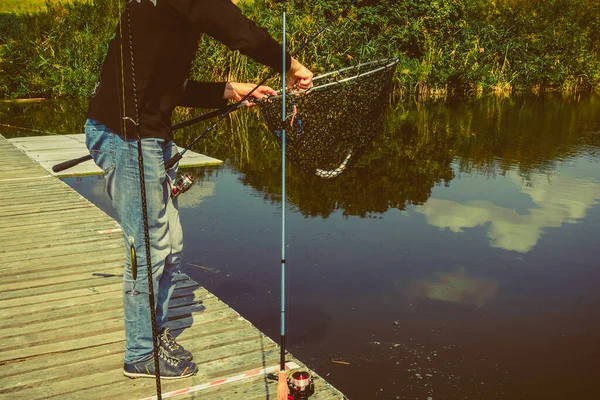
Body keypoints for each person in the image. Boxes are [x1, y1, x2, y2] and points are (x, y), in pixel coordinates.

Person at [85, 0, 313, 380]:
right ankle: (140, 352)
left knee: (169, 243)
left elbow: (169, 87)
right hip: (126, 137)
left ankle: (154, 334)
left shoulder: (167, 16)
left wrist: (229, 90)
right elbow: (239, 31)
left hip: (148, 137)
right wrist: (290, 65)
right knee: (150, 247)